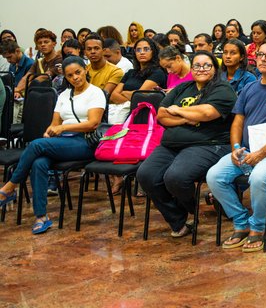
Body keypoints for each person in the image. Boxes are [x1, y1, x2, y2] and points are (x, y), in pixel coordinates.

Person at [206, 38, 266, 251]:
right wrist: (235, 148)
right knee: (214, 176)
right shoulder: (250, 88)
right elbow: (237, 121)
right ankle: (241, 222)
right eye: (260, 55)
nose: (263, 59)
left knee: (259, 177)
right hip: (249, 151)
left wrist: (261, 154)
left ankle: (258, 228)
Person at [0, 56, 106, 234]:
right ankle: (41, 217)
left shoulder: (96, 93)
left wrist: (63, 128)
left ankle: (10, 187)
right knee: (38, 162)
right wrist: (49, 132)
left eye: (78, 72)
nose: (75, 78)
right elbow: (54, 123)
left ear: (85, 70)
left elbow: (93, 123)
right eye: (70, 75)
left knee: (36, 146)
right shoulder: (64, 95)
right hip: (63, 141)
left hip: (85, 142)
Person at [137, 51, 237, 238]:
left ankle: (192, 209)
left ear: (215, 69)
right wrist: (186, 118)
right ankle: (179, 220)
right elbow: (162, 115)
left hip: (207, 143)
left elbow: (207, 113)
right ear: (191, 68)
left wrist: (178, 110)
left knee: (176, 176)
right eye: (197, 65)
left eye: (207, 65)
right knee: (146, 174)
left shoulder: (223, 89)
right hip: (171, 145)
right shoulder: (182, 88)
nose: (201, 69)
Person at [110, 38, 167, 105]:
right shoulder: (130, 72)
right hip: (124, 110)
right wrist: (130, 101)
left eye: (146, 49)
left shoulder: (158, 73)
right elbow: (113, 96)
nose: (142, 52)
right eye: (138, 50)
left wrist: (124, 92)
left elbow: (139, 95)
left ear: (153, 51)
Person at [14, 29, 62, 99]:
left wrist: (21, 88)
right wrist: (17, 91)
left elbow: (44, 77)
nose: (42, 45)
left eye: (46, 42)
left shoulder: (60, 59)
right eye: (39, 43)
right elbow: (27, 77)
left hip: (53, 97)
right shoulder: (39, 61)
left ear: (54, 44)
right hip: (38, 96)